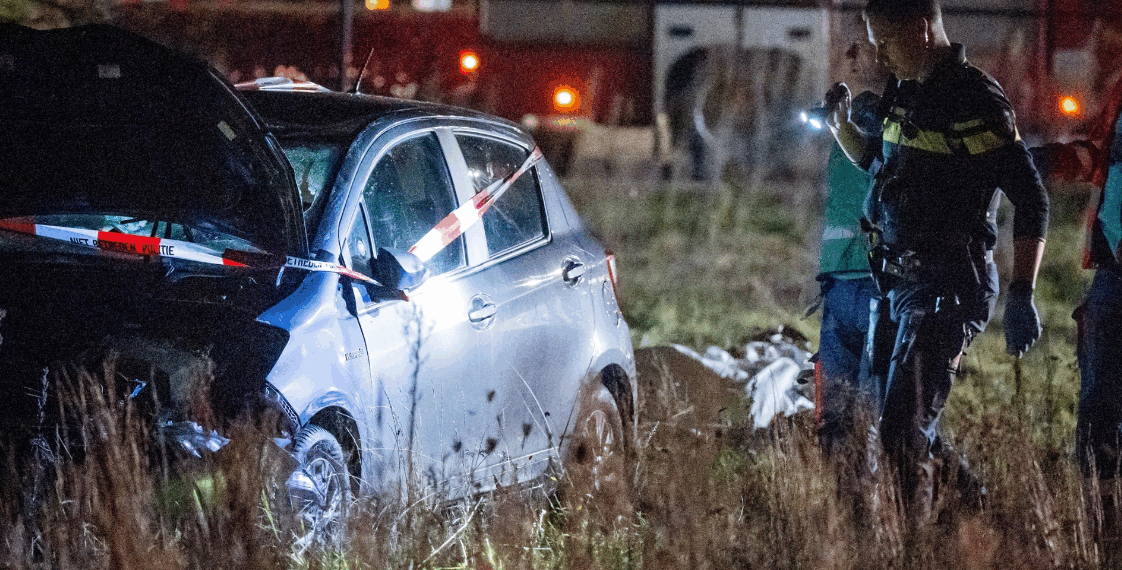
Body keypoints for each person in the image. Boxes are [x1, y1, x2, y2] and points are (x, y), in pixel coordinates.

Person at [825, 0, 1050, 526]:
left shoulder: (977, 99)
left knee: (901, 435)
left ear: (923, 30)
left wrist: (1023, 294)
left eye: (887, 40)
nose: (879, 53)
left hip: (951, 287)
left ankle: (923, 547)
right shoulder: (906, 91)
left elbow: (1033, 200)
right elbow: (884, 164)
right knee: (900, 426)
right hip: (899, 285)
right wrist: (842, 127)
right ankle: (979, 516)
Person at [1031, 68, 1122, 554]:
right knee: (1098, 407)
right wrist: (1052, 158)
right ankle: (1101, 533)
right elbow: (1101, 157)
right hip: (1112, 272)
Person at [816, 40, 886, 457]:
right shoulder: (848, 117)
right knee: (837, 418)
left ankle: (874, 510)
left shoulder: (901, 116)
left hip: (881, 286)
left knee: (876, 418)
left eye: (862, 48)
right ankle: (842, 510)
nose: (850, 57)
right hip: (841, 284)